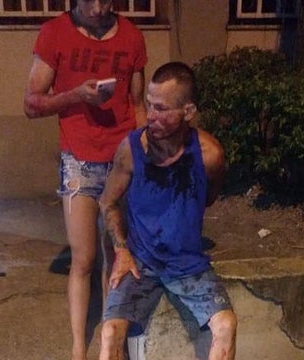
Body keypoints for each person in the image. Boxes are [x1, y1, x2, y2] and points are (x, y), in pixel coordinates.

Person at [23, 1, 147, 359]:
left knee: (117, 259)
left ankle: (112, 344)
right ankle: (78, 346)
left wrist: (143, 157)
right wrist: (77, 95)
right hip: (79, 161)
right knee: (83, 259)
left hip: (122, 161)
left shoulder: (132, 37)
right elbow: (31, 104)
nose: (96, 8)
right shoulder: (53, 34)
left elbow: (137, 103)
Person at [98, 62, 237, 360]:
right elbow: (107, 201)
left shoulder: (210, 155)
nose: (150, 116)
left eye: (161, 109)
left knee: (226, 325)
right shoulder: (131, 149)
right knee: (110, 333)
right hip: (141, 262)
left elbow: (208, 197)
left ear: (188, 112)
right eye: (149, 105)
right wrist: (122, 251)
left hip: (188, 265)